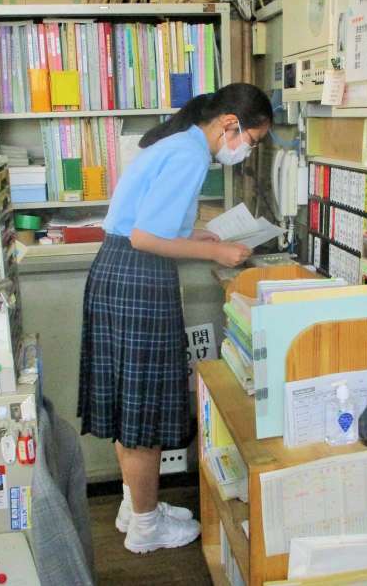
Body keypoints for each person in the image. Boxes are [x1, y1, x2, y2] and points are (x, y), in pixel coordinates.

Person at [78, 82, 273, 554]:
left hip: (117, 271)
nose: (246, 152)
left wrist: (198, 236)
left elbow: (147, 222)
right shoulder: (189, 155)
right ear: (230, 124)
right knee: (142, 407)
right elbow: (145, 237)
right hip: (138, 277)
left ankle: (135, 505)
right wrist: (220, 252)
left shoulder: (179, 142)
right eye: (251, 141)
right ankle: (146, 526)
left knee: (129, 402)